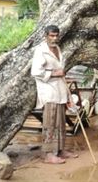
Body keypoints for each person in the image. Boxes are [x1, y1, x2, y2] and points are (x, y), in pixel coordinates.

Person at [31, 25, 78, 164]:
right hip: (48, 91)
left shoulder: (57, 49)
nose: (54, 38)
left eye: (56, 35)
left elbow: (60, 70)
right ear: (46, 35)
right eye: (51, 35)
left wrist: (69, 97)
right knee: (50, 122)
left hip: (59, 90)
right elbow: (35, 72)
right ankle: (48, 154)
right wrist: (54, 73)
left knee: (60, 122)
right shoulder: (40, 51)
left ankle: (60, 150)